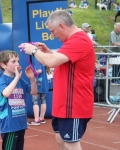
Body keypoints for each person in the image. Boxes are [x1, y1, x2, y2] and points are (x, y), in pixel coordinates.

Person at [19, 10, 95, 150]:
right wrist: (48, 53)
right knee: (60, 139)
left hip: (73, 105)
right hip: (63, 104)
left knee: (71, 144)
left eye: (53, 31)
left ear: (62, 26)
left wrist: (34, 51)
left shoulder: (79, 40)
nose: (52, 35)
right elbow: (63, 61)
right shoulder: (72, 41)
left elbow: (52, 62)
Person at [0, 50, 37, 150]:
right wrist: (16, 78)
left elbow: (33, 92)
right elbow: (6, 93)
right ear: (3, 65)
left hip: (20, 123)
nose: (17, 64)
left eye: (18, 61)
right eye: (13, 61)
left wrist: (32, 79)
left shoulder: (19, 80)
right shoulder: (2, 80)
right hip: (10, 125)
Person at [28, 58, 50, 126]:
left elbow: (39, 70)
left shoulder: (36, 58)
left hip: (37, 83)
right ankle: (41, 118)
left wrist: (31, 73)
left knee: (35, 101)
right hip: (44, 83)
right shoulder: (43, 58)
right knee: (43, 100)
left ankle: (36, 119)